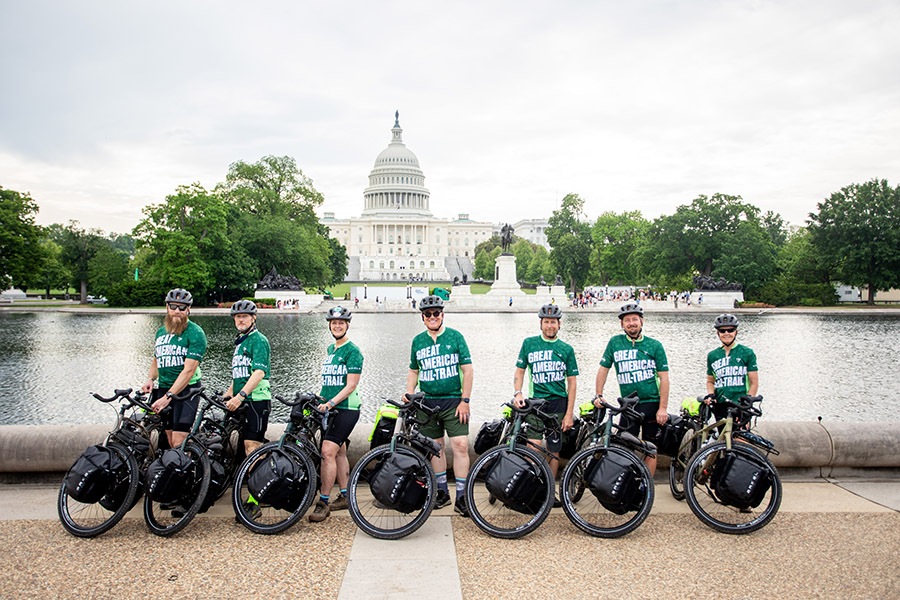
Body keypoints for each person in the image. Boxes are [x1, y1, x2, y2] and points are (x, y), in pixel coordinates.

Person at [406, 295, 474, 517]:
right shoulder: (417, 341)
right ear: (423, 318)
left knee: (461, 445)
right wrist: (409, 392)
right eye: (428, 314)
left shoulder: (455, 337)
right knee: (435, 449)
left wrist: (465, 400)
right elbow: (414, 370)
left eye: (436, 313)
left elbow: (468, 370)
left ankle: (462, 497)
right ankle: (442, 492)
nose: (432, 317)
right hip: (427, 403)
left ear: (442, 315)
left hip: (453, 401)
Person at [594, 302, 669, 475]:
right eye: (627, 320)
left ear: (642, 321)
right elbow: (603, 369)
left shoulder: (654, 345)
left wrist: (663, 408)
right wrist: (599, 394)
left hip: (651, 403)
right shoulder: (615, 343)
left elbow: (664, 378)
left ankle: (647, 488)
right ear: (622, 324)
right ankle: (628, 484)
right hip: (628, 404)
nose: (631, 323)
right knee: (624, 447)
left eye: (635, 319)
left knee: (650, 448)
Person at [513, 304, 578, 505]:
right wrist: (518, 393)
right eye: (546, 322)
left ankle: (550, 490)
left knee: (554, 448)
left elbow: (572, 383)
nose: (550, 326)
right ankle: (532, 488)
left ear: (559, 325)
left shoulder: (566, 349)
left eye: (553, 322)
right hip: (536, 402)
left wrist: (569, 413)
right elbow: (520, 371)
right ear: (541, 324)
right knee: (533, 446)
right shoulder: (529, 343)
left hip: (558, 403)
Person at [309, 306, 363, 523]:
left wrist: (331, 403)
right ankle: (344, 495)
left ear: (347, 325)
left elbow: (351, 385)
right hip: (330, 407)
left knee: (327, 452)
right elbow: (328, 383)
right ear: (330, 325)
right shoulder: (331, 350)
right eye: (334, 323)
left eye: (341, 323)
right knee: (339, 452)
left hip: (346, 408)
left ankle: (323, 501)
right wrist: (318, 399)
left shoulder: (353, 351)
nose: (337, 325)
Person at [141, 288, 208, 449]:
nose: (177, 311)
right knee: (169, 440)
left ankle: (194, 469)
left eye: (182, 307)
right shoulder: (160, 332)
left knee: (179, 440)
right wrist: (150, 379)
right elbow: (157, 360)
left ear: (188, 309)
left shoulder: (195, 333)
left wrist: (168, 397)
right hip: (164, 387)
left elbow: (189, 370)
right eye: (173, 306)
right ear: (167, 307)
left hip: (187, 391)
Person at [223, 300, 271, 458]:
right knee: (241, 444)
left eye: (244, 316)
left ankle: (259, 481)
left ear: (254, 318)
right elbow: (239, 373)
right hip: (241, 399)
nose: (240, 320)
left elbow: (259, 372)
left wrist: (240, 396)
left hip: (256, 399)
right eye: (237, 317)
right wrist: (229, 392)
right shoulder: (241, 341)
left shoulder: (259, 340)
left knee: (253, 446)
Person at [705, 313, 758, 425]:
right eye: (722, 331)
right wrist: (711, 394)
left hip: (740, 403)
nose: (726, 333)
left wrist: (748, 402)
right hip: (720, 404)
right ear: (717, 333)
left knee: (740, 438)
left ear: (736, 332)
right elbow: (710, 381)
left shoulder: (747, 353)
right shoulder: (712, 355)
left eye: (730, 330)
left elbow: (754, 382)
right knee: (722, 438)